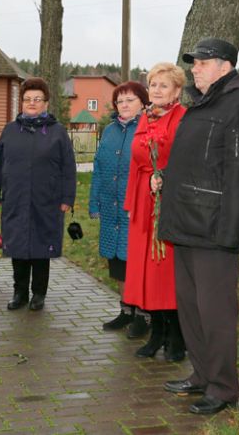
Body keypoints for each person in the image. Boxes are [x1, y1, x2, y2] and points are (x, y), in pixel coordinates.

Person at [159, 38, 239, 416]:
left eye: (203, 62)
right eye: (195, 63)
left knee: (216, 312)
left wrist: (230, 233)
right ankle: (202, 374)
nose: (195, 68)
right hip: (186, 227)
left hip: (214, 231)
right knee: (190, 308)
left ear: (226, 66)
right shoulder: (203, 104)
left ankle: (223, 388)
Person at [0, 77, 77, 311]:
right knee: (18, 247)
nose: (32, 103)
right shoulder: (10, 131)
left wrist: (67, 198)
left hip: (46, 201)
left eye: (37, 99)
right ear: (21, 103)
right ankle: (19, 293)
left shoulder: (57, 133)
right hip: (15, 199)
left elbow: (68, 167)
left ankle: (38, 294)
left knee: (40, 248)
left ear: (46, 102)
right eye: (27, 99)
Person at [122, 63, 187, 362]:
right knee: (147, 272)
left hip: (168, 203)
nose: (157, 90)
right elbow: (137, 159)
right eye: (153, 84)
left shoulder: (183, 118)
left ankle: (177, 336)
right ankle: (157, 332)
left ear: (176, 90)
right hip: (144, 203)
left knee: (165, 272)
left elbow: (186, 158)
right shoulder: (145, 117)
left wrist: (165, 176)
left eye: (163, 85)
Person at [89, 81, 150, 338]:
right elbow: (99, 167)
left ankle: (143, 315)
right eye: (120, 101)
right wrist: (95, 202)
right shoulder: (110, 131)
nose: (123, 105)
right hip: (111, 207)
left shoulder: (147, 129)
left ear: (143, 103)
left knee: (136, 262)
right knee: (117, 263)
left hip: (135, 209)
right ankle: (125, 310)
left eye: (130, 100)